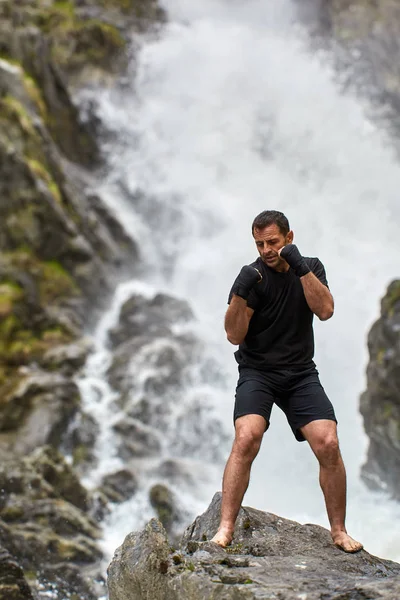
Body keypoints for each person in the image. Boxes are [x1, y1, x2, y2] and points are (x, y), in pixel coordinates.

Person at [211, 210, 363, 553]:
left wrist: (300, 268)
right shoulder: (254, 278)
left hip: (299, 374)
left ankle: (338, 531)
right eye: (259, 243)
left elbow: (325, 310)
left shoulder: (310, 266)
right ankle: (225, 528)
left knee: (328, 443)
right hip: (258, 372)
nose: (266, 249)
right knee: (246, 437)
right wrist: (238, 293)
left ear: (289, 238)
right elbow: (234, 336)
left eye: (273, 242)